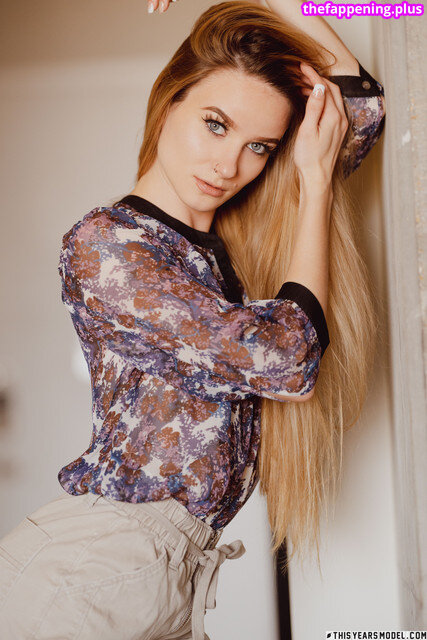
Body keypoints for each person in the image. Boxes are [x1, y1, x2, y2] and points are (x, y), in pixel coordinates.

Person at [0, 1, 386, 638]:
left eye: (258, 146)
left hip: (173, 579)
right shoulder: (109, 246)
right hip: (87, 575)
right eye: (215, 124)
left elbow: (358, 105)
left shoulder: (240, 241)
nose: (228, 165)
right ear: (167, 104)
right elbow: (285, 362)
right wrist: (316, 188)